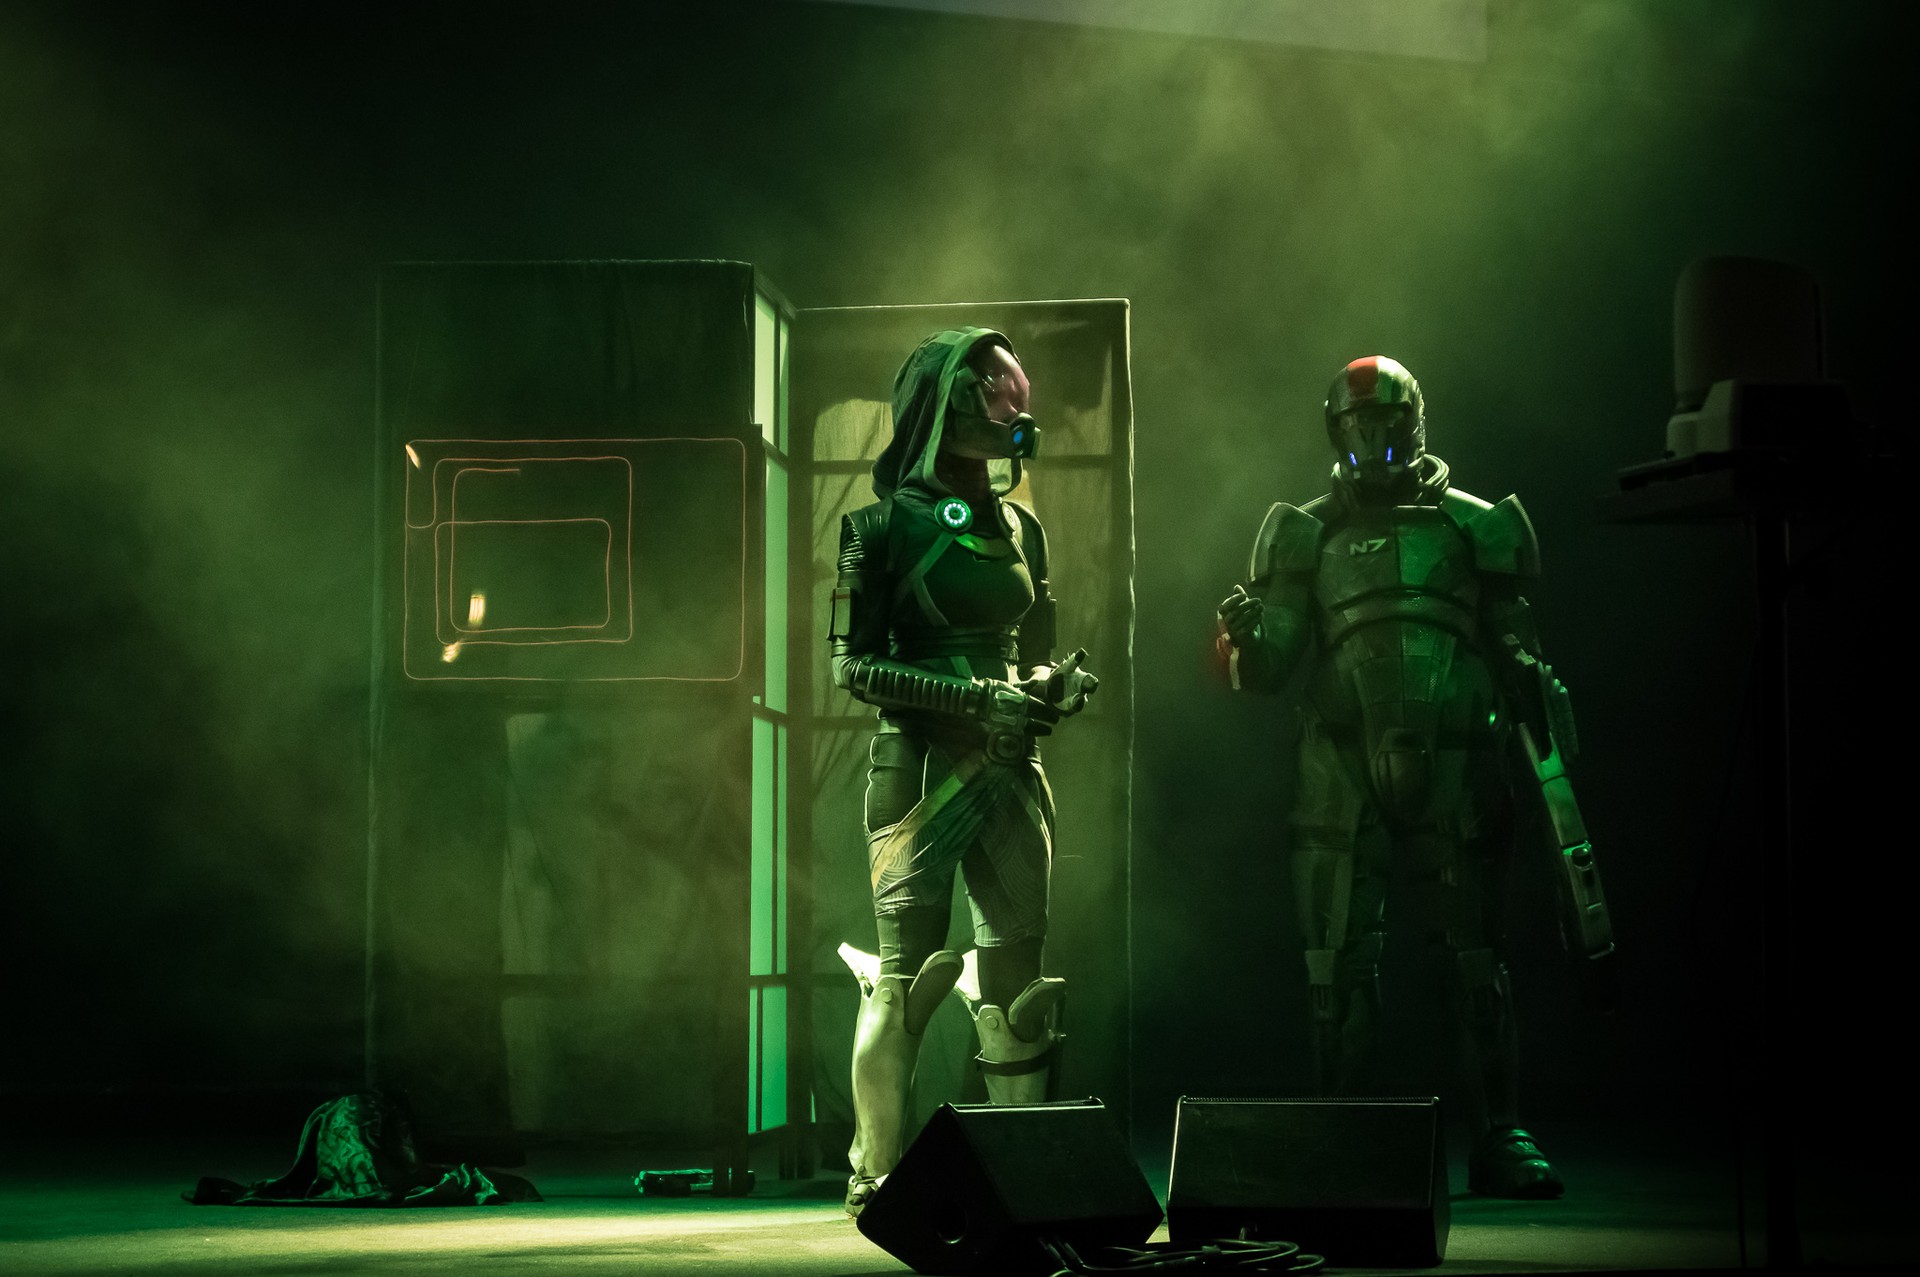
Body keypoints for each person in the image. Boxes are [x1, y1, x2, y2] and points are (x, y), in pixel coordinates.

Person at [1216, 355, 1614, 1199]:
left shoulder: (1475, 527)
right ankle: (1341, 1131)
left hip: (1460, 760)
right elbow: (1272, 667)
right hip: (1341, 766)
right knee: (1336, 962)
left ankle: (1499, 1130)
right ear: (1338, 431)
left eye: (1386, 423)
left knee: (1475, 958)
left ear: (1413, 423)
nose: (1373, 440)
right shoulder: (1304, 533)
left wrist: (1537, 714)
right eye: (1358, 426)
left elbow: (1515, 647)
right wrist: (1244, 642)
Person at [829, 328, 1099, 1216]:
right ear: (943, 407)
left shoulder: (1024, 528)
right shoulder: (878, 529)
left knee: (1019, 988)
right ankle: (877, 1172)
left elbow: (1034, 649)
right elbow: (854, 666)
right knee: (903, 979)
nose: (1010, 415)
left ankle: (1018, 1180)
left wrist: (1051, 685)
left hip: (1012, 769)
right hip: (918, 766)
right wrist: (977, 699)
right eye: (990, 398)